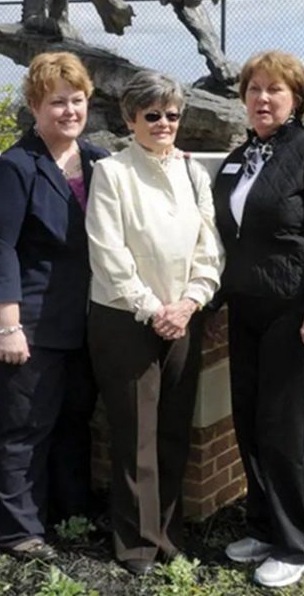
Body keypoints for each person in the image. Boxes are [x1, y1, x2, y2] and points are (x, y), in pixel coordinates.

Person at [212, 50, 304, 589]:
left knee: (282, 425)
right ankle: (265, 525)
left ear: (296, 100)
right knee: (247, 419)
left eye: (274, 90)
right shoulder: (241, 156)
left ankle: (299, 543)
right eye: (254, 89)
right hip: (245, 308)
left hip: (293, 311)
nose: (262, 98)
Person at [0, 52, 108, 560]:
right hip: (27, 322)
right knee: (24, 426)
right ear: (34, 105)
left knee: (74, 420)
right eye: (57, 102)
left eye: (77, 100)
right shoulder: (15, 167)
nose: (68, 111)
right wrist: (7, 325)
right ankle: (17, 528)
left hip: (81, 321)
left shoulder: (97, 162)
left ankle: (69, 511)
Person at [86, 71, 223, 575]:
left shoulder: (193, 173)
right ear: (130, 119)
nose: (164, 123)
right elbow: (108, 253)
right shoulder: (112, 173)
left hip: (182, 319)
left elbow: (209, 246)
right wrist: (153, 309)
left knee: (171, 433)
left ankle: (169, 532)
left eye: (172, 114)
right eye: (152, 115)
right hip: (126, 321)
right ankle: (136, 543)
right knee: (134, 436)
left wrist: (189, 302)